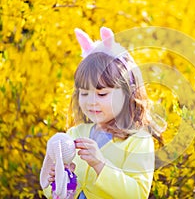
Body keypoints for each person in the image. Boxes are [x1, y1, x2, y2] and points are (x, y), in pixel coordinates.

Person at [41, 26, 166, 199]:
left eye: (102, 94)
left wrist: (100, 165)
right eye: (84, 93)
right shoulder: (75, 133)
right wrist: (58, 182)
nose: (91, 101)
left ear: (127, 93)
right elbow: (53, 193)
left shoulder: (138, 140)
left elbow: (137, 194)